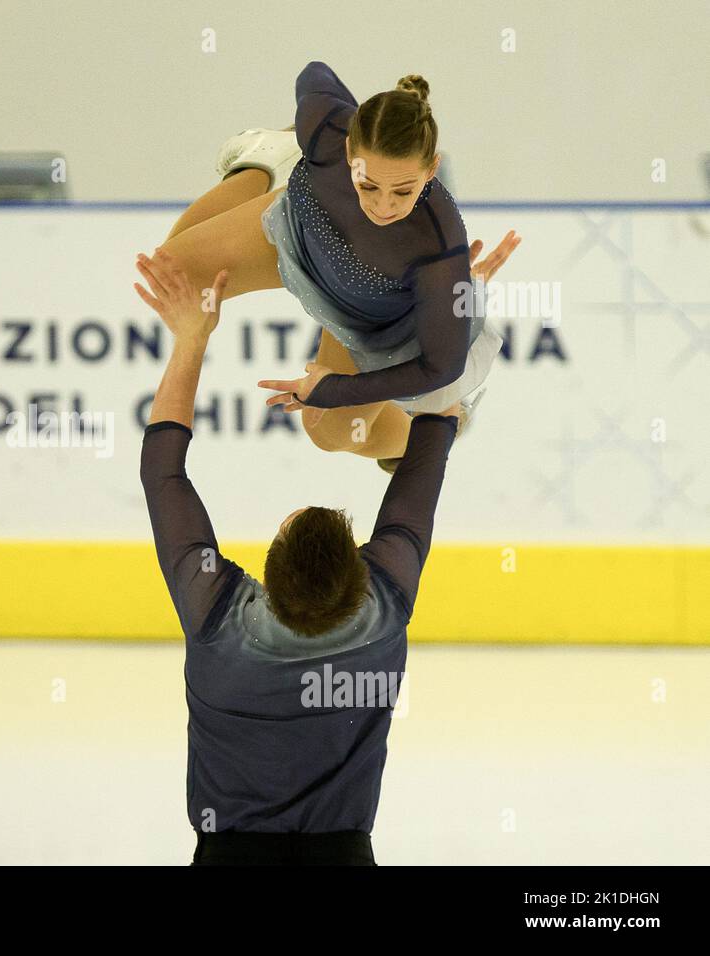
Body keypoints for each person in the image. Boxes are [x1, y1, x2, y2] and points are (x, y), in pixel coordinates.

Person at [135, 250, 460, 865]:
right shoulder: (381, 606)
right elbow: (434, 432)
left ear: (265, 570)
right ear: (363, 571)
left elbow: (163, 475)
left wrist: (191, 339)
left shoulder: (223, 618)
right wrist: (451, 322)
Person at [140, 61, 519, 470]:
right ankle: (264, 159)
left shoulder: (438, 247)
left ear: (431, 170)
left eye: (404, 191)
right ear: (348, 151)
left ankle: (440, 423)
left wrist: (335, 389)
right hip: (300, 235)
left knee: (330, 432)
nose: (383, 206)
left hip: (376, 321)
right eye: (368, 184)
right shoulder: (326, 129)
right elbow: (313, 73)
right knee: (174, 275)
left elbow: (441, 366)